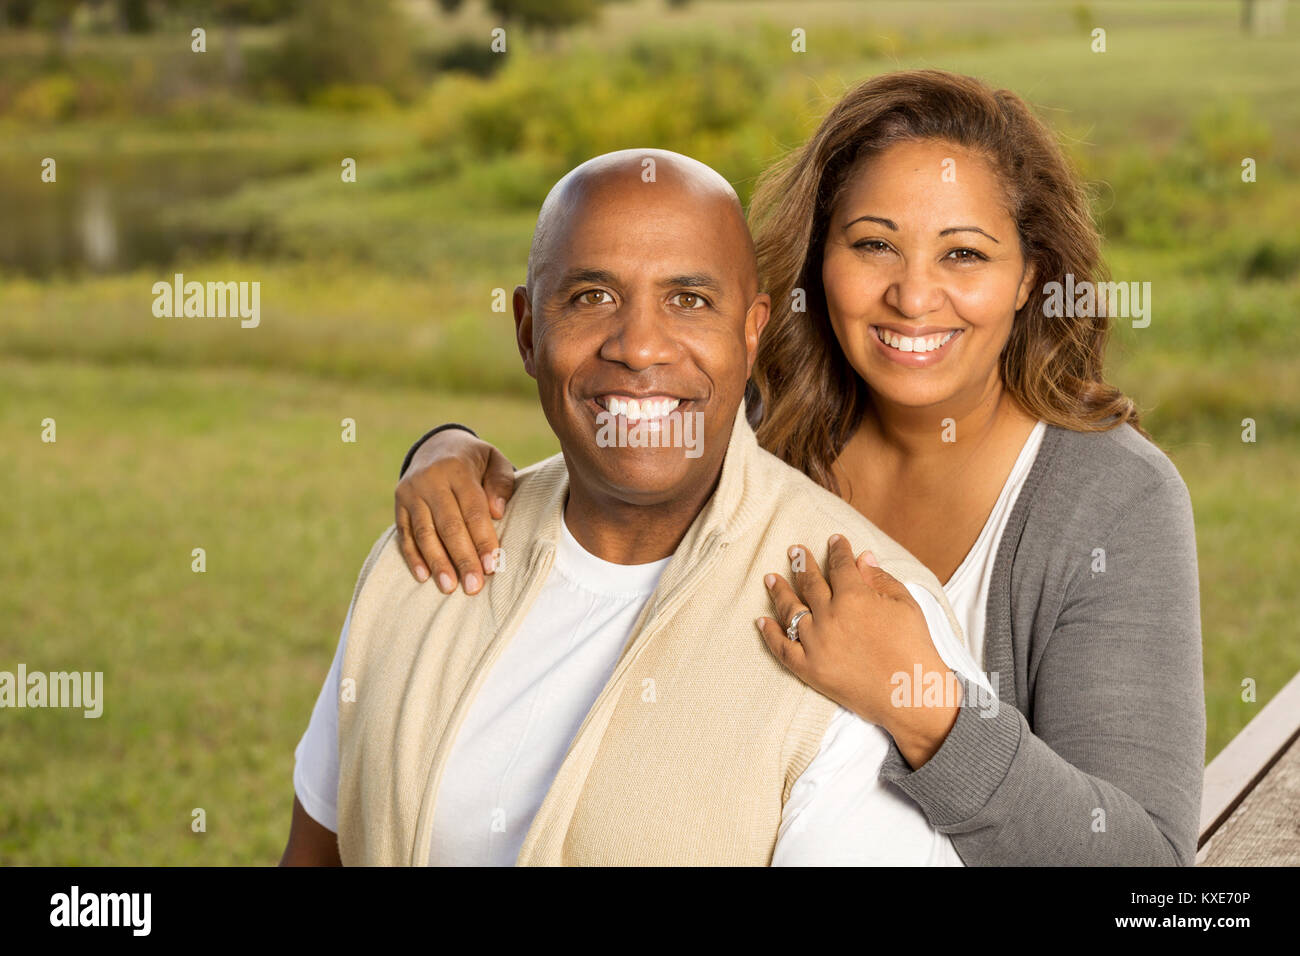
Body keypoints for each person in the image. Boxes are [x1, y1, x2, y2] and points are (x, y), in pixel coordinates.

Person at [389, 71, 1206, 865]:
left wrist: (927, 705)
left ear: (1029, 276)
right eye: (874, 245)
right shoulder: (759, 430)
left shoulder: (1111, 500)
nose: (914, 297)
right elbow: (606, 451)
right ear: (818, 259)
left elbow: (1146, 865)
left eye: (964, 255)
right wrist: (446, 450)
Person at [281, 148, 990, 867]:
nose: (640, 346)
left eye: (689, 299)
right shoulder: (426, 556)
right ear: (529, 331)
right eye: (592, 296)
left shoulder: (867, 628)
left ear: (752, 332)